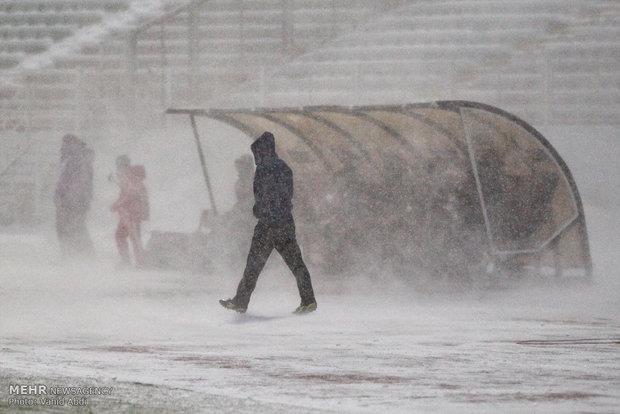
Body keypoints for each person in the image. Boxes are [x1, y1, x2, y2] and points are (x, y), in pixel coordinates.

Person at [220, 132, 317, 314]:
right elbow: (286, 195)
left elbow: (262, 197)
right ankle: (308, 300)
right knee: (296, 263)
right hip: (286, 223)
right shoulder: (285, 168)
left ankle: (241, 301)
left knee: (253, 265)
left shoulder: (264, 169)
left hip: (267, 225)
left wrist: (259, 210)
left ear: (261, 151)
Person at [54, 134, 94, 258]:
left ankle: (74, 254)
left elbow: (72, 182)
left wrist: (63, 198)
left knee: (68, 227)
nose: (62, 146)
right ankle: (81, 254)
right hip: (76, 200)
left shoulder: (75, 159)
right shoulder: (75, 158)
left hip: (72, 201)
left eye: (65, 143)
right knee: (76, 227)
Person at [111, 155, 149, 268]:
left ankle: (131, 261)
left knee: (125, 236)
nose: (117, 168)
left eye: (118, 165)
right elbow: (127, 194)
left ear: (123, 165)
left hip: (130, 213)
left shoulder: (130, 177)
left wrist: (116, 205)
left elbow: (128, 194)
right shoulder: (131, 177)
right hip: (132, 213)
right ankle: (137, 261)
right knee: (132, 236)